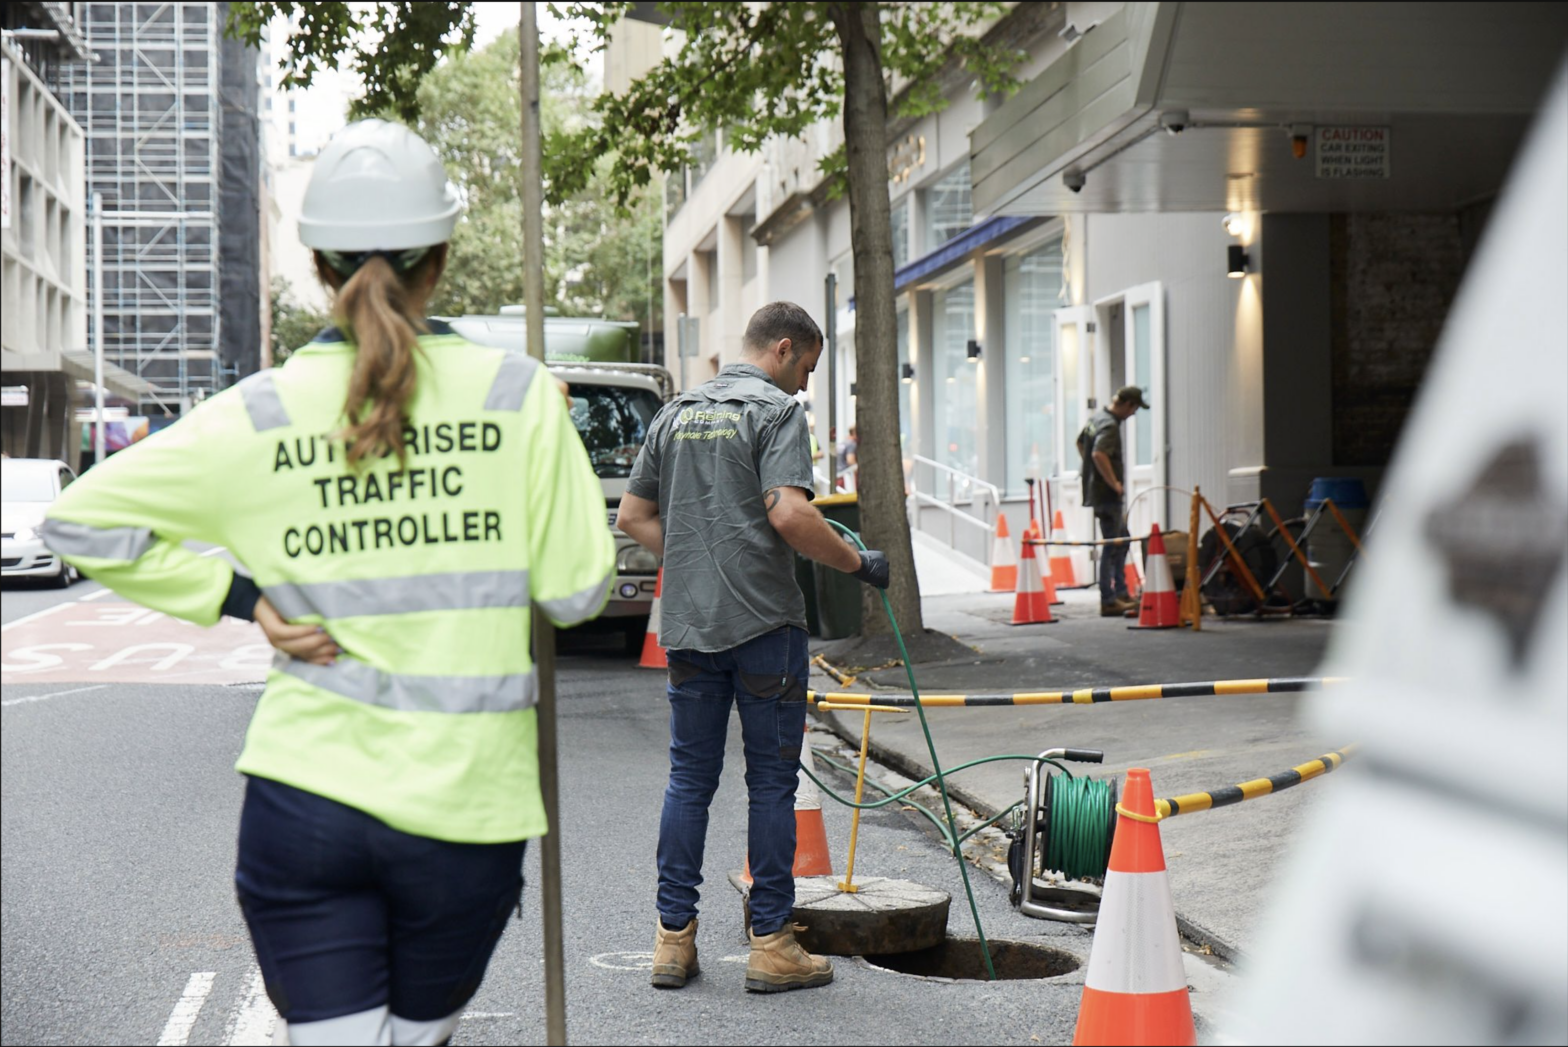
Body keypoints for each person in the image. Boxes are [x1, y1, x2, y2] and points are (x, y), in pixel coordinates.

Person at [41, 119, 614, 1046]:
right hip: (463, 816)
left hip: (303, 805)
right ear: (441, 259)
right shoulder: (518, 396)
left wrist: (241, 600)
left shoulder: (257, 412)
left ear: (315, 264)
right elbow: (579, 591)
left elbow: (76, 520)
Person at [615, 301, 890, 994]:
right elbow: (790, 513)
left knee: (689, 780)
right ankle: (771, 942)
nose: (804, 386)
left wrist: (694, 560)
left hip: (689, 629)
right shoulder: (774, 413)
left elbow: (633, 516)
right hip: (765, 626)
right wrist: (858, 565)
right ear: (785, 349)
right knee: (771, 783)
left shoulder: (674, 414)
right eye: (806, 370)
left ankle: (672, 941)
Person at [1078, 385, 1150, 617]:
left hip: (1096, 492)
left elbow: (1081, 443)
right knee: (1113, 544)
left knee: (1122, 540)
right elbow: (1098, 454)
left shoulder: (1097, 418)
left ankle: (1120, 593)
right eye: (1134, 408)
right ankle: (1109, 599)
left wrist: (1092, 473)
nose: (1133, 414)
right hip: (1106, 495)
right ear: (1127, 404)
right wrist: (1113, 482)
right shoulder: (1109, 425)